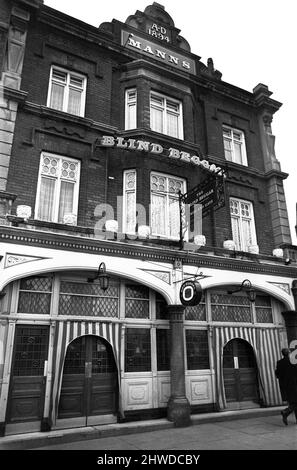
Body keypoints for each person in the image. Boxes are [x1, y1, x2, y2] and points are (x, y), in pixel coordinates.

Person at [275, 348, 297, 425]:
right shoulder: (293, 361)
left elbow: (277, 374)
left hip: (285, 386)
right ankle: (286, 412)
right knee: (295, 402)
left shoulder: (279, 362)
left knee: (293, 402)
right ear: (289, 353)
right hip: (294, 385)